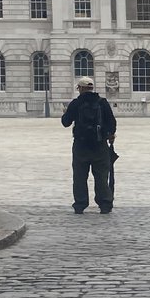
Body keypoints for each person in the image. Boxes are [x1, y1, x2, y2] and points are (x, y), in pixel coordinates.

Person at [61, 77, 117, 215]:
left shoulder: (76, 103)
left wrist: (65, 113)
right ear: (92, 88)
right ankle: (105, 204)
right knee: (102, 177)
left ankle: (80, 204)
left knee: (80, 177)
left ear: (80, 88)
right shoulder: (102, 102)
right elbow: (112, 122)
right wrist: (110, 135)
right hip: (100, 145)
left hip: (81, 145)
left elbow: (66, 122)